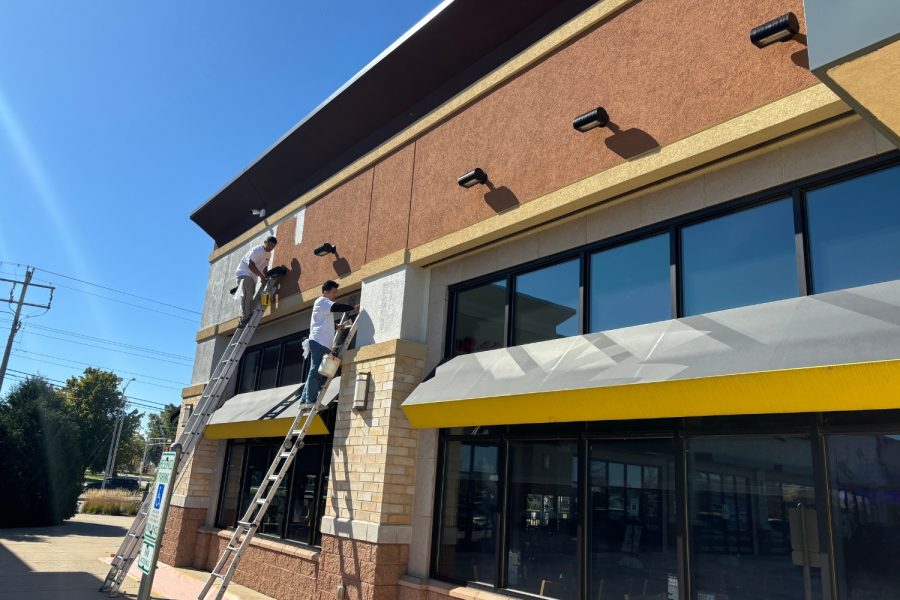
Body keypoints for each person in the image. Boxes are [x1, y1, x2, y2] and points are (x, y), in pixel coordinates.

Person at [299, 280, 359, 405]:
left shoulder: (323, 305)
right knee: (316, 371)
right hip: (319, 342)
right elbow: (336, 307)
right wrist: (353, 308)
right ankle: (310, 400)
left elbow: (322, 321)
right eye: (333, 292)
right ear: (325, 292)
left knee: (316, 371)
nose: (334, 295)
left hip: (322, 342)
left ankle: (305, 399)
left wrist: (336, 326)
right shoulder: (322, 301)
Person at [232, 236, 277, 325]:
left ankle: (245, 315)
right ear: (265, 242)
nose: (271, 248)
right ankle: (244, 318)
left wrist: (265, 276)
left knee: (250, 295)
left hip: (252, 276)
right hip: (244, 273)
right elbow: (251, 265)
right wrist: (261, 277)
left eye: (273, 246)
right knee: (247, 296)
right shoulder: (257, 250)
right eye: (269, 245)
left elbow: (265, 266)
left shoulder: (268, 254)